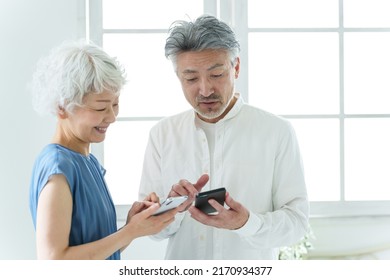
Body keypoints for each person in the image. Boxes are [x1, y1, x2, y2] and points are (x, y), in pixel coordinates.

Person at [138, 15, 309, 260]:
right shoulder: (162, 134)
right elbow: (151, 231)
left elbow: (297, 223)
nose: (205, 90)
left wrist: (246, 223)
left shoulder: (277, 132)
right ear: (178, 77)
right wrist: (172, 208)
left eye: (216, 74)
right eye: (191, 78)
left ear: (235, 67)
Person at [29, 40, 177, 260]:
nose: (112, 117)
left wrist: (132, 227)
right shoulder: (58, 168)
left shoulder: (87, 162)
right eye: (100, 107)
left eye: (115, 104)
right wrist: (130, 231)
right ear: (62, 107)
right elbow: (54, 261)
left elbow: (100, 254)